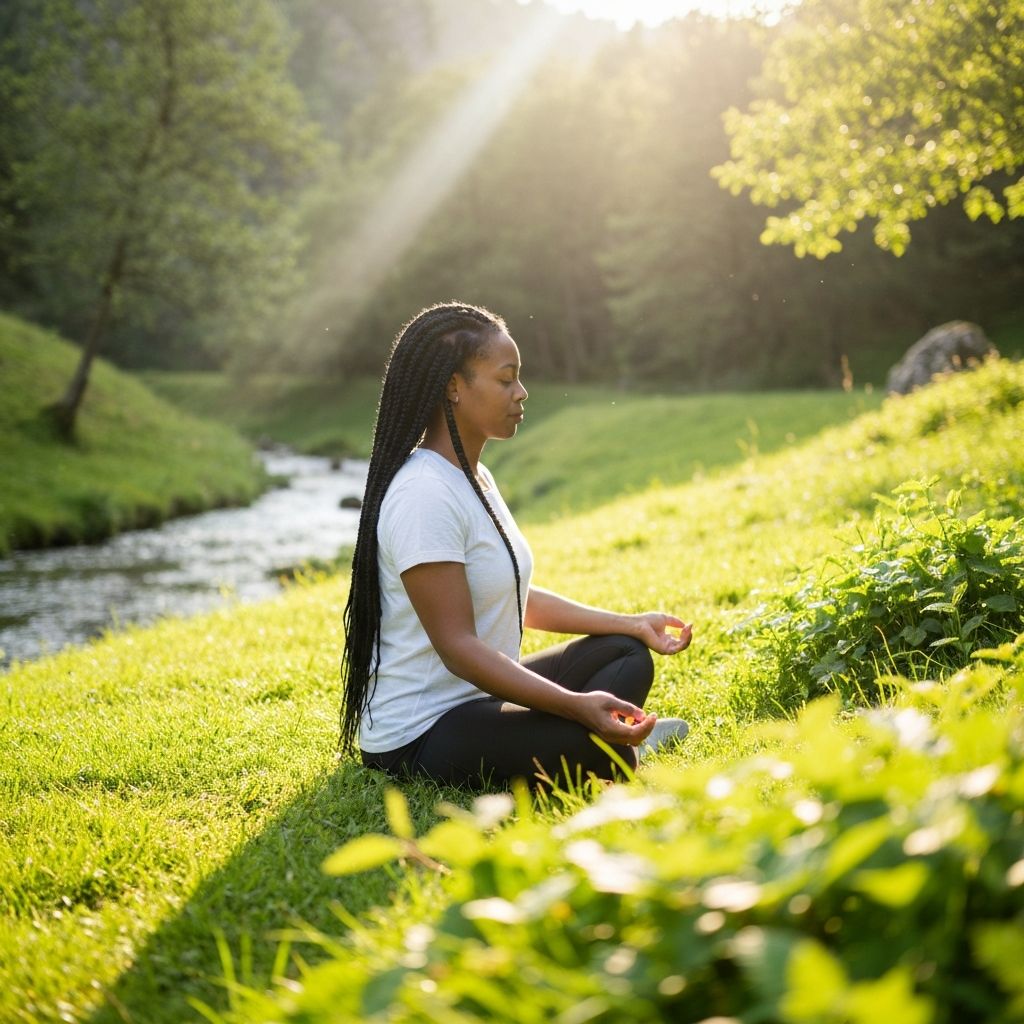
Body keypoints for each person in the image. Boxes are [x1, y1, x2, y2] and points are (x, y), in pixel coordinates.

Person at [340, 301, 692, 790]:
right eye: (506, 380)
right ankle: (606, 749)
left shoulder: (474, 476)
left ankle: (599, 745)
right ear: (454, 387)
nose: (521, 393)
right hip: (420, 734)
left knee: (625, 654)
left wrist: (631, 623)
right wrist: (574, 706)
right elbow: (458, 648)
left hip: (479, 702)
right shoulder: (424, 493)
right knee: (582, 740)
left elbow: (511, 595)